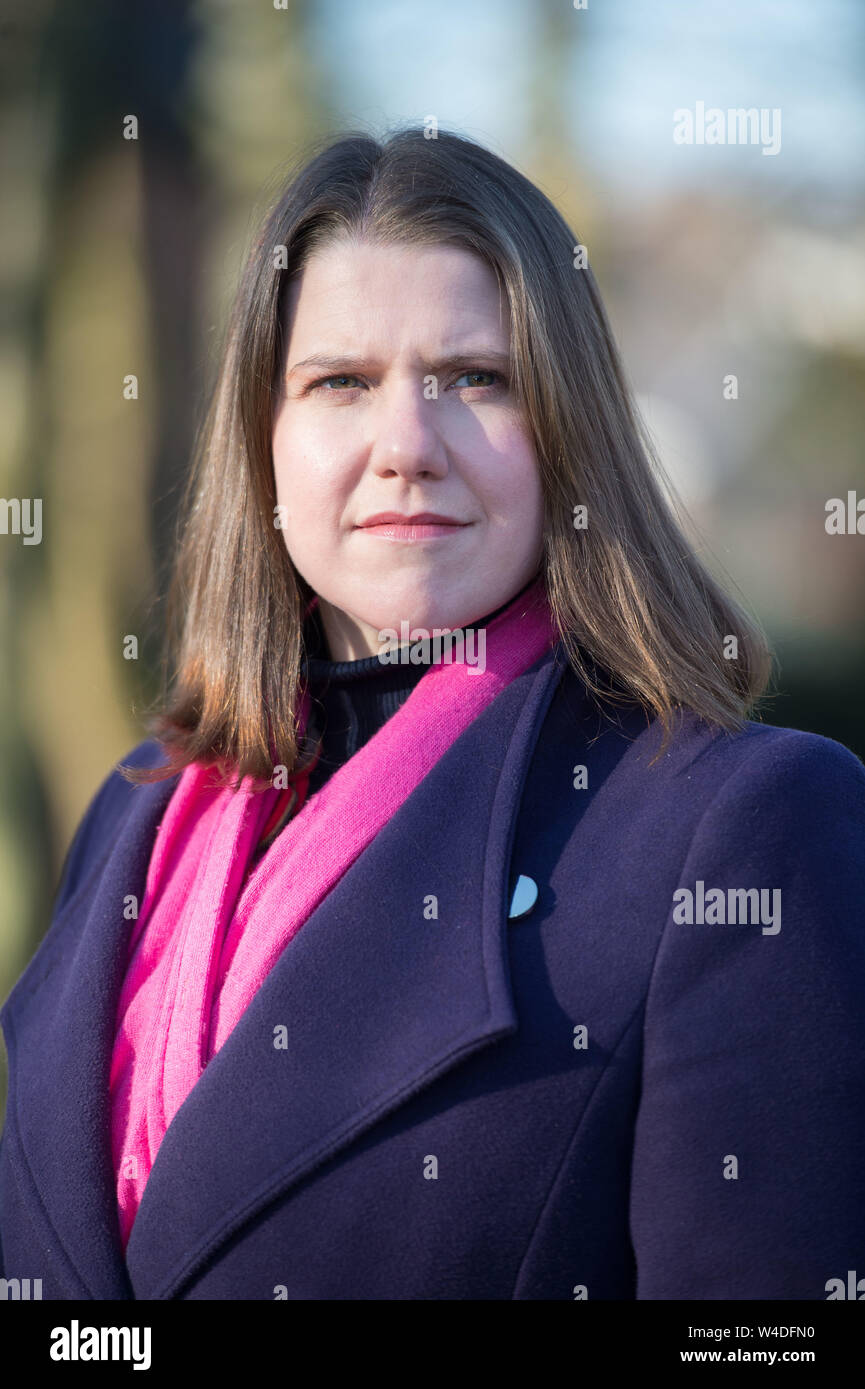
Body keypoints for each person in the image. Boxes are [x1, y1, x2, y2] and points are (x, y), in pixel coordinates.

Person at [1, 126, 864, 1302]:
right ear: (263, 442)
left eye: (474, 379)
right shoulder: (135, 813)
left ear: (570, 438)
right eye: (339, 382)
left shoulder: (740, 825)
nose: (406, 445)